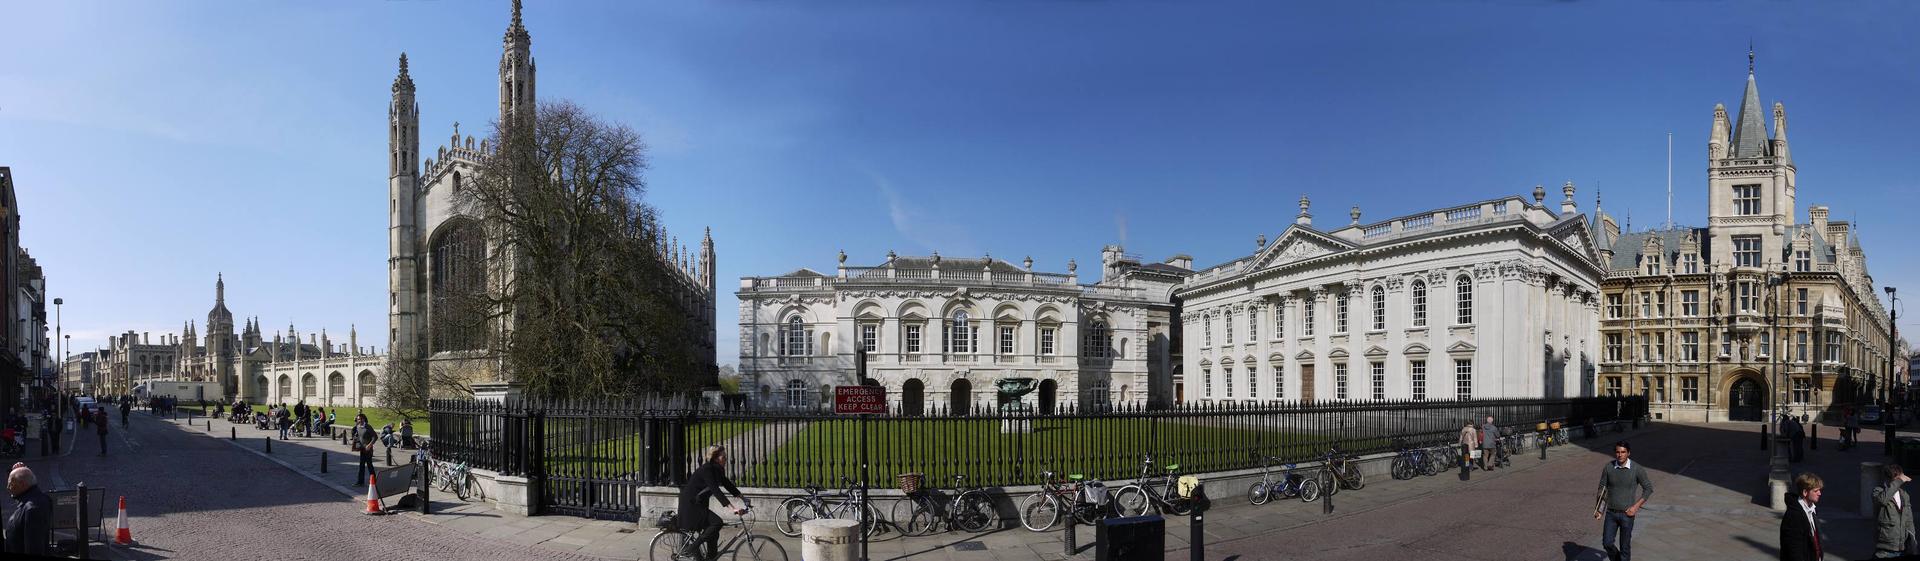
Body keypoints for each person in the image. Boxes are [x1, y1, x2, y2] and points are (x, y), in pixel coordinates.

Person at [677, 445, 748, 561]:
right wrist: (732, 508)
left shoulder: (717, 469)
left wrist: (743, 498)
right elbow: (716, 490)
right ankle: (691, 548)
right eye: (723, 457)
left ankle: (710, 558)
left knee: (713, 534)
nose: (725, 459)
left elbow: (728, 484)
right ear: (716, 458)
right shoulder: (707, 469)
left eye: (725, 457)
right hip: (691, 505)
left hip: (699, 504)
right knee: (717, 522)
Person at [1595, 441, 1653, 561]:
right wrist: (1599, 509)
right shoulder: (1608, 467)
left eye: (1623, 452)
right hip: (1611, 513)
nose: (1620, 455)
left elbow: (1648, 488)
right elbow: (1602, 488)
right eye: (1617, 452)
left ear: (1628, 453)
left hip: (1627, 514)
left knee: (1625, 547)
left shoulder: (1637, 469)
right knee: (1607, 543)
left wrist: (1635, 507)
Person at [5, 463, 53, 555]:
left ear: (22, 484)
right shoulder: (35, 498)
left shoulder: (33, 509)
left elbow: (34, 548)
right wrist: (17, 472)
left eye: (10, 484)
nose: (8, 487)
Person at [1780, 472, 1823, 561]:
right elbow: (1793, 550)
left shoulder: (1812, 509)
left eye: (1820, 490)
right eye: (1816, 491)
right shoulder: (1794, 515)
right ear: (1805, 492)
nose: (1819, 493)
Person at [1875, 464, 1915, 557]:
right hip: (1885, 548)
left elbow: (1909, 520)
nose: (1900, 481)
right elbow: (1883, 500)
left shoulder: (1904, 495)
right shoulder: (1878, 491)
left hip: (1903, 547)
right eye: (1897, 479)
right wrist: (1899, 481)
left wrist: (1913, 543)